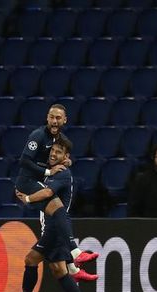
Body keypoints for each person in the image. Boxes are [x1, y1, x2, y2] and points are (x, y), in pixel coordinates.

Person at [4, 138, 92, 292]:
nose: (53, 154)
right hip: (55, 227)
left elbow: (47, 192)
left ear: (65, 156)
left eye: (58, 152)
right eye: (52, 150)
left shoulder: (62, 173)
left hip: (55, 227)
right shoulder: (53, 170)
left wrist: (27, 199)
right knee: (58, 269)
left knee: (31, 260)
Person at [16, 104, 97, 281]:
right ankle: (75, 255)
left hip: (39, 182)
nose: (54, 121)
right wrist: (47, 173)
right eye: (52, 117)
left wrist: (68, 161)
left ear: (64, 120)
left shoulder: (61, 140)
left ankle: (73, 268)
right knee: (58, 208)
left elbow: (60, 157)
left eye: (58, 118)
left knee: (60, 214)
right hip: (27, 182)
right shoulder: (38, 135)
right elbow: (24, 161)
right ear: (47, 118)